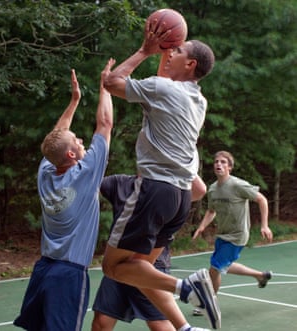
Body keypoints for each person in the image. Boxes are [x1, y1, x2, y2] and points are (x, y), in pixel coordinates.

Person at [100, 17, 221, 331]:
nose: (171, 53)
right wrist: (163, 54)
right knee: (141, 269)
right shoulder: (199, 100)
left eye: (177, 49)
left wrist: (144, 51)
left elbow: (111, 82)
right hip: (180, 197)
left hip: (154, 190)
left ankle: (188, 287)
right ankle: (184, 328)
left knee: (113, 267)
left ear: (190, 63)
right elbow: (161, 87)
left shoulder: (164, 89)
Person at [14, 59, 115, 331]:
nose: (82, 141)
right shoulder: (84, 175)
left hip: (43, 270)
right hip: (69, 273)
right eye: (77, 141)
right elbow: (104, 124)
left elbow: (56, 138)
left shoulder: (45, 172)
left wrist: (74, 101)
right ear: (71, 155)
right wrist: (105, 87)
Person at [92, 175, 206, 331]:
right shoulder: (120, 183)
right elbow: (91, 180)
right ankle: (187, 297)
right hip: (119, 262)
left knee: (159, 324)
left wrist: (183, 161)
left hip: (150, 264)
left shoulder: (167, 187)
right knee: (101, 322)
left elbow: (200, 190)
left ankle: (187, 295)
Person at [192, 150, 273, 315]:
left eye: (223, 162)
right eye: (216, 162)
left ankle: (209, 304)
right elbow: (211, 211)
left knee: (214, 269)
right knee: (224, 266)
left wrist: (264, 225)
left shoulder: (237, 185)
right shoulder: (213, 189)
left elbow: (262, 199)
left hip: (237, 235)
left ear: (229, 167)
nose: (218, 164)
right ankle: (260, 276)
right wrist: (202, 226)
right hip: (222, 234)